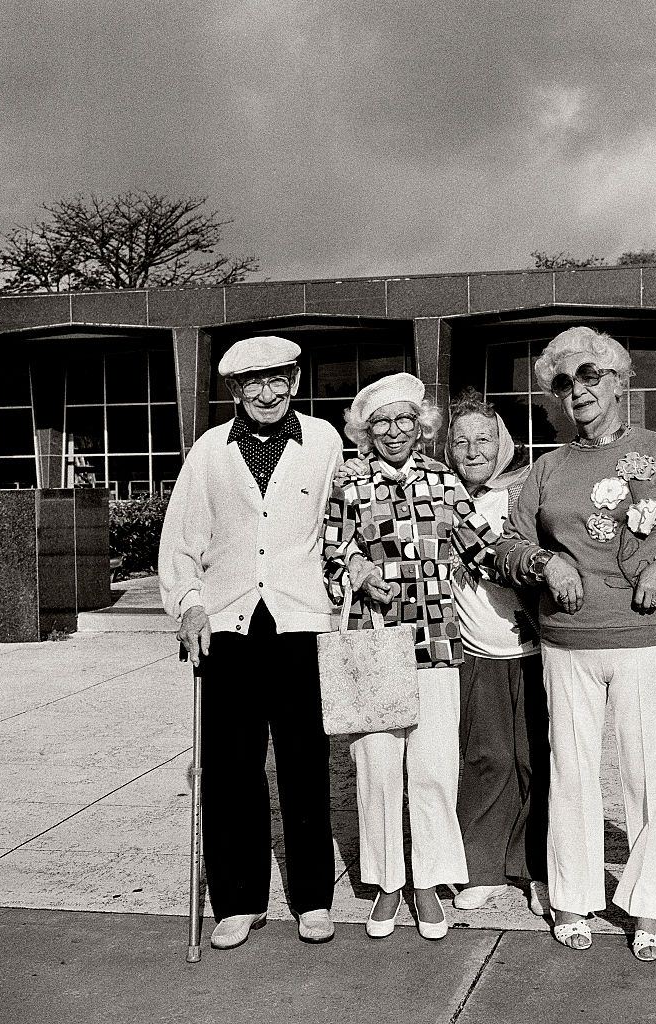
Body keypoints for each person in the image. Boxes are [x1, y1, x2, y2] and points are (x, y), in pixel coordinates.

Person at [495, 325, 656, 961]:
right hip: (566, 643)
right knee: (573, 772)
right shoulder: (547, 469)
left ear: (619, 383)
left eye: (591, 377)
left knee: (645, 776)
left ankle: (647, 907)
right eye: (564, 383)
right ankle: (572, 894)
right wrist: (544, 565)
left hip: (645, 639)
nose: (578, 391)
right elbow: (506, 544)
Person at [158, 335, 342, 950]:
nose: (269, 392)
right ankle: (238, 901)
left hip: (298, 622)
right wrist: (187, 605)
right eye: (254, 383)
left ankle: (313, 899)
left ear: (294, 380)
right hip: (228, 624)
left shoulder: (323, 442)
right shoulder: (210, 450)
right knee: (232, 766)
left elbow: (342, 523)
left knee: (303, 764)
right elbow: (181, 540)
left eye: (280, 379)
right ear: (235, 389)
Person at [321, 372, 503, 941]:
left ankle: (429, 880)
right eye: (382, 423)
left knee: (432, 770)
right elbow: (327, 558)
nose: (395, 432)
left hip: (435, 646)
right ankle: (386, 883)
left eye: (405, 421)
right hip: (374, 645)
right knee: (376, 770)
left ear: (420, 427)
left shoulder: (443, 480)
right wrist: (357, 570)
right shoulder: (349, 486)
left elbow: (484, 551)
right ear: (366, 431)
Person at [443, 389, 549, 917]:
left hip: (534, 647)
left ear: (502, 442)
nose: (472, 450)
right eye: (460, 441)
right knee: (485, 759)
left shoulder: (526, 492)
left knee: (536, 761)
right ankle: (480, 868)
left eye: (483, 438)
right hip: (475, 649)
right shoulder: (440, 498)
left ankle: (535, 870)